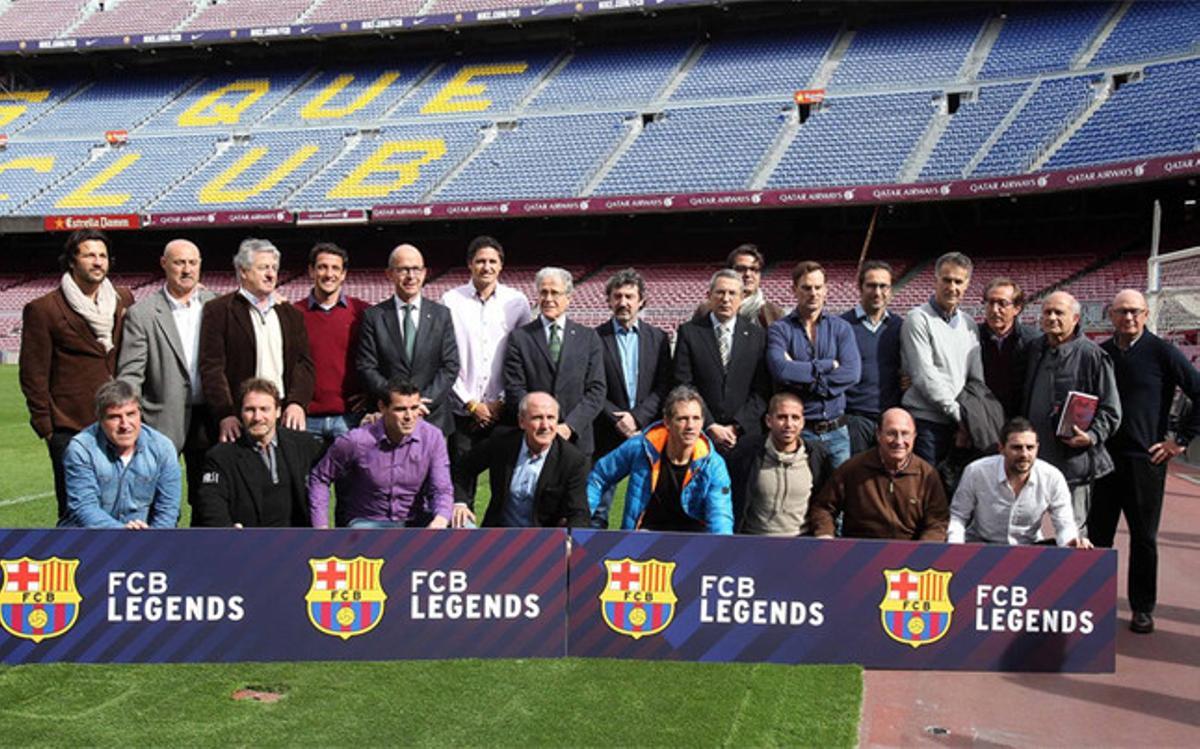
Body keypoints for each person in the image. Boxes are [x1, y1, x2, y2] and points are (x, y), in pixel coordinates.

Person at [1093, 289, 1200, 634]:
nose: (1129, 317)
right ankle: (1091, 602)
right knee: (1097, 535)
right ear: (1111, 315)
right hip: (1104, 459)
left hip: (1145, 461)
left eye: (1135, 311)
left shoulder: (1163, 352)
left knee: (1143, 538)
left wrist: (1179, 441)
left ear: (1146, 314)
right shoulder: (1102, 353)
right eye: (1122, 311)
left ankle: (1142, 608)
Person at [20, 229, 135, 522]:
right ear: (72, 261)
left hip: (121, 424)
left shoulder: (123, 299)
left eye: (103, 255)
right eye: (89, 255)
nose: (98, 262)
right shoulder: (43, 309)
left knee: (123, 506)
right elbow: (33, 374)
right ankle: (79, 567)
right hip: (70, 428)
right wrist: (48, 428)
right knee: (76, 511)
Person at [117, 238, 217, 519]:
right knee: (157, 501)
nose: (187, 269)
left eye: (193, 263)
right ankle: (160, 558)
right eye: (179, 262)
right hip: (159, 420)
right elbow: (130, 374)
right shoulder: (143, 314)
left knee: (207, 498)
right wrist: (131, 421)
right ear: (164, 264)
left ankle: (202, 558)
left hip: (208, 420)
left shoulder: (217, 305)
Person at [441, 235, 532, 515]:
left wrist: (500, 402)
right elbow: (446, 357)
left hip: (502, 411)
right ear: (470, 264)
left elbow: (521, 358)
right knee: (461, 482)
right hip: (462, 411)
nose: (486, 267)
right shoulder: (451, 300)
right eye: (480, 261)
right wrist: (471, 403)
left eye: (492, 261)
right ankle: (462, 545)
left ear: (501, 266)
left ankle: (498, 548)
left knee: (503, 485)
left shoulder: (517, 302)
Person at [1021, 290, 1121, 539]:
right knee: (1024, 529)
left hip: (1073, 463)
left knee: (1072, 531)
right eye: (1047, 312)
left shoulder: (1092, 355)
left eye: (1059, 312)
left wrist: (1091, 437)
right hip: (1032, 460)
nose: (1052, 317)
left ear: (1075, 318)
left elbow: (1111, 409)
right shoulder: (1034, 349)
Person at [199, 238, 314, 444]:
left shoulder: (291, 314)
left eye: (273, 268)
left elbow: (303, 364)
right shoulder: (219, 311)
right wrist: (225, 414)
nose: (271, 274)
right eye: (263, 268)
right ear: (243, 271)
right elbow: (212, 369)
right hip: (240, 418)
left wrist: (297, 403)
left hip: (282, 416)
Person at [308, 379, 452, 529]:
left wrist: (440, 520)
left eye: (414, 408)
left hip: (416, 520)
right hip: (368, 521)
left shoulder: (432, 438)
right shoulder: (356, 441)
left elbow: (441, 488)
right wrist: (321, 527)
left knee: (462, 527)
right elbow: (320, 477)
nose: (409, 416)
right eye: (400, 409)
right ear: (382, 407)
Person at [588, 385, 734, 534]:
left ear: (703, 422)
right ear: (667, 422)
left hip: (691, 544)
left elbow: (720, 518)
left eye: (696, 418)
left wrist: (720, 550)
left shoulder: (714, 465)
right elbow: (599, 476)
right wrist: (586, 523)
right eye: (682, 419)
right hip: (642, 540)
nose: (690, 426)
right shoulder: (641, 447)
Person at [591, 268, 673, 528]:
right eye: (617, 296)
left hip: (647, 431)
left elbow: (664, 385)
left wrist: (637, 418)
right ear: (609, 301)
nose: (623, 302)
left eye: (629, 296)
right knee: (599, 504)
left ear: (641, 301)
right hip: (605, 431)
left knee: (643, 501)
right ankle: (591, 553)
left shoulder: (658, 338)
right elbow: (592, 386)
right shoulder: (593, 338)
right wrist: (618, 418)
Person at [193, 378, 326, 528]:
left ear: (278, 411)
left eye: (264, 409)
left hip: (297, 543)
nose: (257, 417)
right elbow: (211, 503)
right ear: (240, 413)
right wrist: (226, 530)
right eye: (250, 410)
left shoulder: (304, 445)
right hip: (247, 543)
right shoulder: (220, 457)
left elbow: (337, 468)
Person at [358, 243, 460, 436]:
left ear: (424, 273)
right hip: (389, 419)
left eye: (416, 269)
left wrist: (420, 402)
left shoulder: (441, 315)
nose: (411, 276)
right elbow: (367, 367)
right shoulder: (374, 316)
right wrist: (399, 402)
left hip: (432, 417)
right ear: (389, 274)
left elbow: (450, 366)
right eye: (403, 269)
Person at [766, 261, 861, 467]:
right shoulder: (780, 329)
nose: (813, 293)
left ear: (826, 289)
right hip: (801, 433)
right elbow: (781, 370)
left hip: (837, 432)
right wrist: (828, 365)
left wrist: (802, 375)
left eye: (818, 287)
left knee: (840, 495)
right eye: (806, 288)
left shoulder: (841, 328)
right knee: (802, 496)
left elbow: (852, 373)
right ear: (794, 290)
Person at [504, 266, 606, 456]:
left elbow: (597, 390)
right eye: (544, 292)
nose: (549, 298)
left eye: (555, 293)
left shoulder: (589, 337)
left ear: (569, 297)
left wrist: (569, 426)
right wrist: (539, 423)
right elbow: (515, 388)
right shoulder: (520, 338)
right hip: (534, 441)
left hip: (577, 440)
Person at [451, 392, 590, 528]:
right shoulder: (502, 442)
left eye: (551, 418)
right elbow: (462, 468)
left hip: (544, 541)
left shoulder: (572, 459)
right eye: (537, 418)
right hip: (498, 535)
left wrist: (570, 540)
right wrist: (460, 503)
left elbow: (579, 513)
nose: (545, 426)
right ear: (521, 422)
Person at [808, 408, 948, 541]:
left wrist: (925, 549)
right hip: (860, 553)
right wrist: (825, 535)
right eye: (891, 433)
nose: (899, 441)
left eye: (905, 434)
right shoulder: (853, 469)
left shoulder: (927, 475)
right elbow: (823, 508)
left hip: (908, 557)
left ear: (914, 436)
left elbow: (938, 521)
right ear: (878, 434)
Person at [949, 417, 1091, 547]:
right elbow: (958, 516)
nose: (1024, 454)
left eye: (1030, 448)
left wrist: (1071, 542)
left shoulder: (1052, 477)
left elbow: (1064, 524)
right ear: (1001, 448)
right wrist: (956, 551)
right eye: (1016, 448)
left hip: (1028, 550)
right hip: (982, 546)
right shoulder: (976, 472)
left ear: (1037, 448)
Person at [60, 380, 180, 529]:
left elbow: (168, 511)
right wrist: (122, 534)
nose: (125, 425)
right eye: (115, 417)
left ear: (139, 413)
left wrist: (152, 540)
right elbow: (84, 508)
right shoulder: (81, 449)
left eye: (130, 414)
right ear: (100, 419)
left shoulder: (162, 447)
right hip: (90, 539)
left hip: (145, 539)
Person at [673, 269, 770, 455]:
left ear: (742, 297)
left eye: (732, 293)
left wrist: (737, 426)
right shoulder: (689, 332)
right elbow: (684, 384)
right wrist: (710, 424)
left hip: (745, 437)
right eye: (720, 292)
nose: (726, 299)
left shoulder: (758, 336)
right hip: (701, 435)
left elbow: (762, 390)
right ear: (708, 296)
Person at [900, 251, 982, 466]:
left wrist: (968, 418)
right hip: (927, 423)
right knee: (928, 491)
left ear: (967, 285)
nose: (952, 287)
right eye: (946, 280)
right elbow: (924, 376)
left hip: (959, 423)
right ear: (935, 280)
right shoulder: (918, 319)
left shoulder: (969, 324)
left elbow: (975, 378)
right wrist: (959, 415)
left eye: (958, 281)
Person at [727, 392, 834, 535]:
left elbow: (823, 506)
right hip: (754, 542)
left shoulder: (817, 457)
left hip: (800, 544)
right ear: (768, 421)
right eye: (782, 417)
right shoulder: (747, 454)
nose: (789, 424)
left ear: (802, 422)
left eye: (795, 418)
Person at [294, 242, 370, 443]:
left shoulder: (362, 312)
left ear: (344, 274)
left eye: (335, 268)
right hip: (306, 418)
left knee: (352, 475)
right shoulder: (293, 314)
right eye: (322, 267)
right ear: (311, 271)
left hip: (350, 418)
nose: (329, 274)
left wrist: (370, 393)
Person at [841, 260, 903, 455]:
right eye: (871, 285)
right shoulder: (842, 325)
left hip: (890, 419)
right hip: (854, 419)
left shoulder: (900, 327)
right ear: (860, 287)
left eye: (883, 286)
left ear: (891, 289)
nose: (877, 292)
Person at [978, 278, 1040, 419]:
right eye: (990, 302)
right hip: (983, 420)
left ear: (1017, 308)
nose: (995, 310)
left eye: (1002, 303)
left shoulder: (1034, 341)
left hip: (1021, 420)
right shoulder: (971, 338)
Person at [694, 244, 786, 327]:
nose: (748, 274)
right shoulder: (705, 311)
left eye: (754, 269)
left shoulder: (774, 313)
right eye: (741, 269)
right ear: (729, 272)